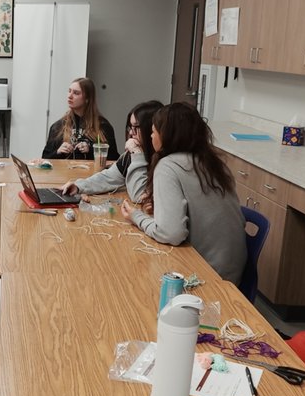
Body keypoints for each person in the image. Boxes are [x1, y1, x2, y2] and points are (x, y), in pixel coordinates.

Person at [120, 102, 246, 284]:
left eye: (153, 131)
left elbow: (171, 233)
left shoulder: (168, 166)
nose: (151, 136)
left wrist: (136, 217)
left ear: (167, 135)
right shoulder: (213, 162)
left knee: (133, 276)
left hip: (206, 277)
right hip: (233, 272)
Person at [60, 100, 163, 201]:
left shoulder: (163, 161)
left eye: (136, 127)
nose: (131, 133)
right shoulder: (131, 156)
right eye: (130, 127)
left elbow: (139, 196)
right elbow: (108, 178)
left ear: (150, 128)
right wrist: (78, 186)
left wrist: (137, 154)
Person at [41, 78, 119, 162]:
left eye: (76, 93)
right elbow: (45, 158)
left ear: (87, 98)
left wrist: (91, 150)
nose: (70, 96)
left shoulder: (103, 125)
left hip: (92, 170)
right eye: (69, 91)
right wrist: (58, 152)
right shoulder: (58, 127)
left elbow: (114, 158)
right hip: (65, 170)